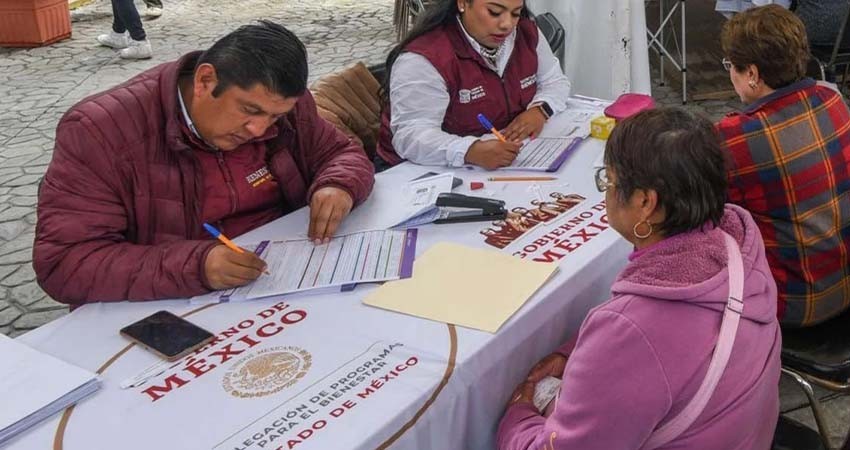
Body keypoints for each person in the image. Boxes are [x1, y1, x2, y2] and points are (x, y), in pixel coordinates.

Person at [34, 21, 375, 306]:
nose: (259, 129)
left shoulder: (284, 108)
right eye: (249, 111)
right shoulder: (100, 131)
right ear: (205, 81)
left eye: (274, 117)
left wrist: (338, 184)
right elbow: (65, 263)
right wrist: (197, 266)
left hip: (287, 282)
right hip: (173, 303)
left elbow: (342, 153)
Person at [498, 108, 781, 449]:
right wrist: (575, 352)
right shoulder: (737, 245)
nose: (606, 191)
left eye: (610, 181)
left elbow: (640, 343)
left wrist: (517, 412)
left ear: (646, 202)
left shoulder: (634, 329)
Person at [717, 5, 850, 327]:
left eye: (729, 66)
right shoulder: (832, 99)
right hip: (843, 277)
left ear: (751, 73)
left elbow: (700, 213)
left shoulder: (734, 137)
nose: (729, 73)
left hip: (794, 302)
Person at [376, 0, 571, 169]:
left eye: (515, 13)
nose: (507, 24)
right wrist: (469, 150)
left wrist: (540, 110)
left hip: (508, 159)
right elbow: (411, 135)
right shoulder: (425, 58)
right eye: (494, 12)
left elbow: (555, 81)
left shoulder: (526, 33)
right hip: (421, 173)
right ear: (462, 3)